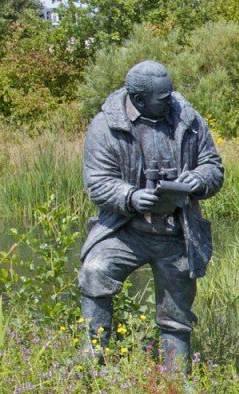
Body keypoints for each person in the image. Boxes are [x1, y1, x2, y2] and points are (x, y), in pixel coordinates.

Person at [78, 60, 224, 373]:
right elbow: (98, 183)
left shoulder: (189, 119)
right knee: (95, 271)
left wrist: (200, 180)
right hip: (124, 230)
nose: (170, 99)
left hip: (176, 231)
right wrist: (130, 197)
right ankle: (94, 369)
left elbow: (213, 166)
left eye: (170, 92)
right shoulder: (105, 127)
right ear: (139, 99)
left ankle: (177, 385)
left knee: (177, 312)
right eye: (162, 96)